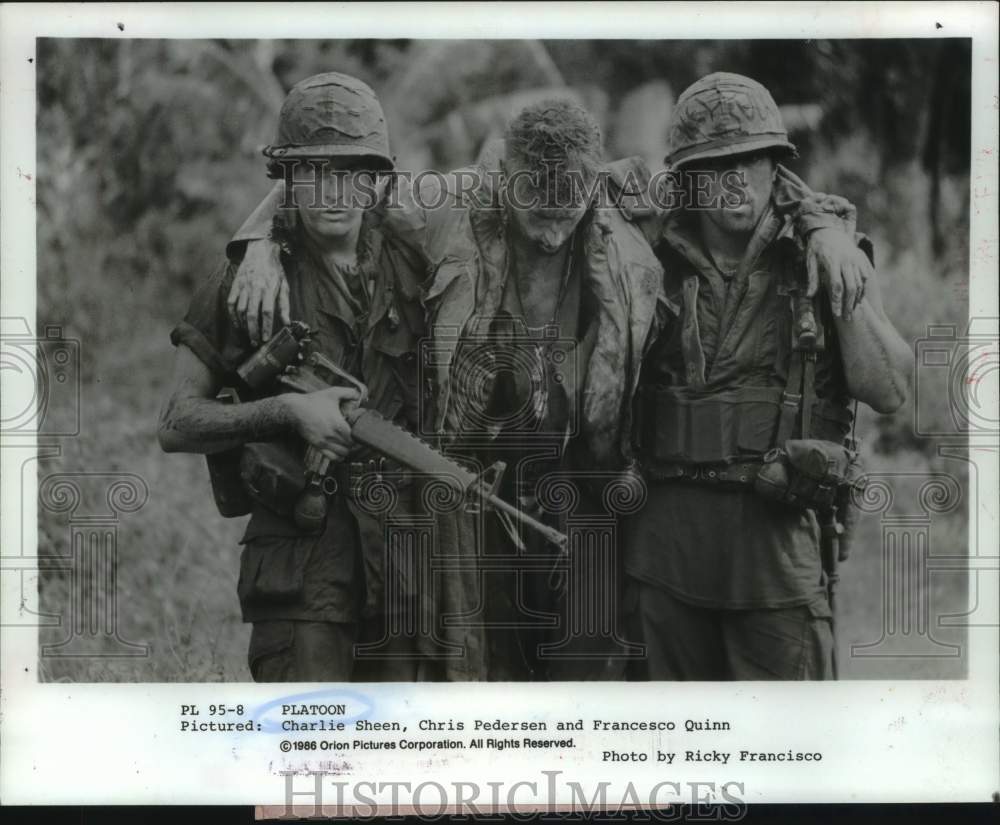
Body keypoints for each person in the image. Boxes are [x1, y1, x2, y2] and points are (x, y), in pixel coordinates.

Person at [224, 95, 869, 681]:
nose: (552, 233)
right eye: (536, 216)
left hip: (582, 489)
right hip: (468, 487)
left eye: (568, 213)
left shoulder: (628, 203)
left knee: (589, 668)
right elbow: (333, 181)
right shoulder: (447, 205)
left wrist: (824, 225)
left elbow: (745, 180)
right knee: (475, 669)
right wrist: (255, 240)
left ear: (593, 186)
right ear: (507, 184)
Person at [622, 72, 912, 681]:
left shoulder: (823, 250)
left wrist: (833, 258)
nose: (735, 180)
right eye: (715, 165)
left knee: (782, 750)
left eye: (751, 160)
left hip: (776, 545)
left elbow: (888, 390)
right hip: (666, 549)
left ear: (776, 167)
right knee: (672, 753)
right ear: (687, 180)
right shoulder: (645, 251)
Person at [157, 72, 428, 682]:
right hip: (302, 566)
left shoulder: (416, 265)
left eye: (352, 173)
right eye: (313, 173)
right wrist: (285, 412)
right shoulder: (243, 286)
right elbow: (175, 424)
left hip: (405, 567)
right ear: (286, 181)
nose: (334, 192)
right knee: (310, 754)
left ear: (377, 178)